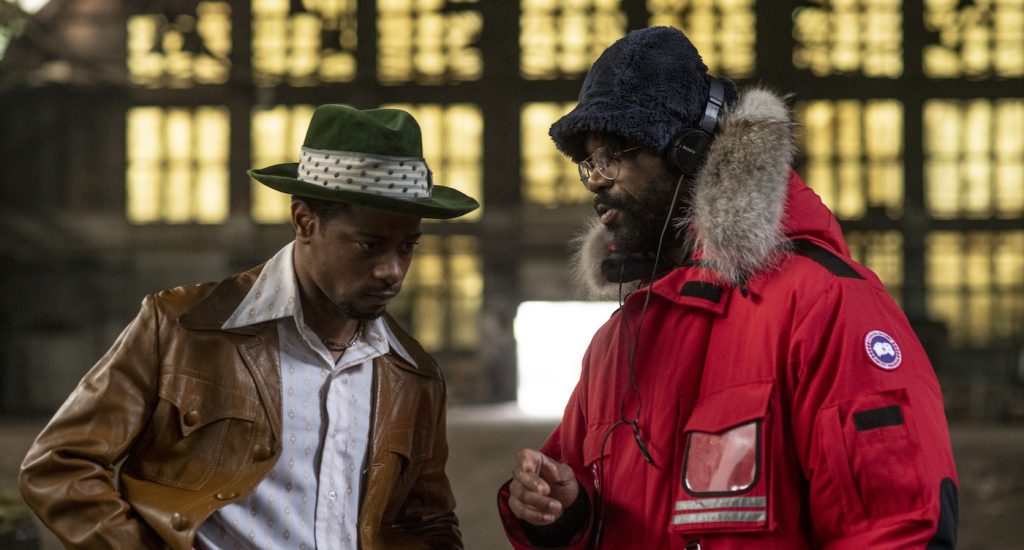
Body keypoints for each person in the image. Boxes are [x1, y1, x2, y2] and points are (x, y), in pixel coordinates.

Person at [497, 26, 958, 549]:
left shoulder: (824, 306)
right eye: (588, 162)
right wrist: (567, 513)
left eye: (615, 152)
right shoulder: (616, 344)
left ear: (691, 154)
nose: (597, 179)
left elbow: (897, 530)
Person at [19, 105, 478, 549]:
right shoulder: (182, 327)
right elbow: (60, 465)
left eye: (407, 246)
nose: (392, 271)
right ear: (304, 221)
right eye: (369, 244)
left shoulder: (413, 374)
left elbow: (430, 524)